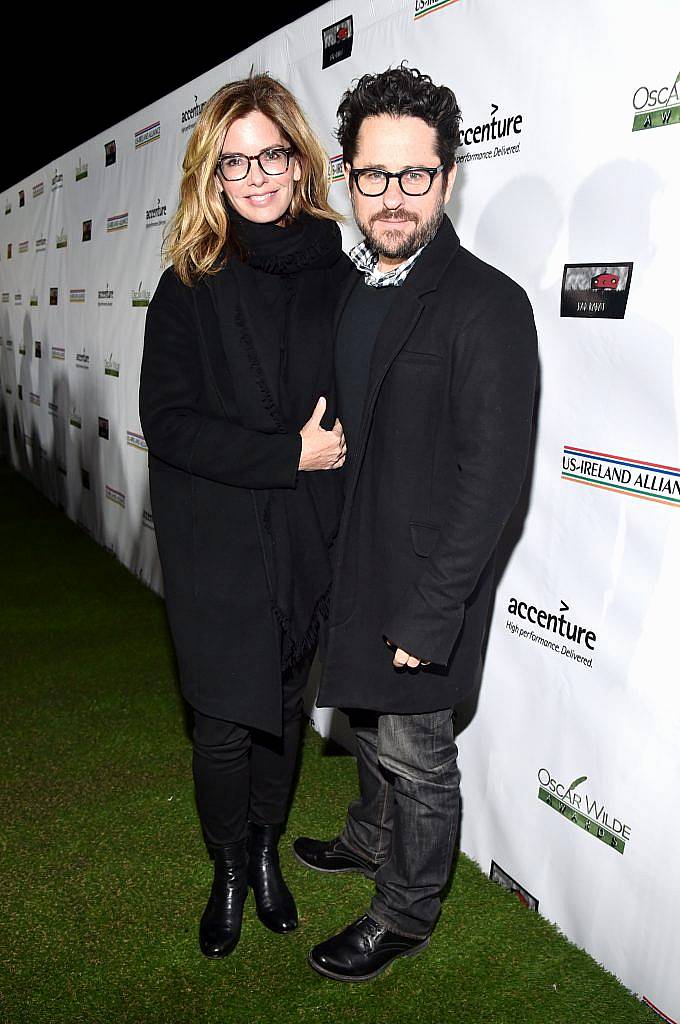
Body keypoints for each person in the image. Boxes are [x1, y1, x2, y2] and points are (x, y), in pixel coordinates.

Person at [294, 65, 538, 982]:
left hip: (423, 586)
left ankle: (405, 912)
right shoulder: (366, 291)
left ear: (447, 177)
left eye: (414, 176)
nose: (391, 198)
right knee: (367, 729)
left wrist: (432, 616)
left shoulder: (488, 305)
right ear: (347, 176)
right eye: (372, 175)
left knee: (419, 756)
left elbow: (492, 482)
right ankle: (368, 838)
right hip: (357, 563)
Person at [139, 74, 350, 959]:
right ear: (211, 175)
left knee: (282, 711)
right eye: (235, 161)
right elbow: (171, 423)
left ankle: (268, 849)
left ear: (299, 161)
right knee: (225, 724)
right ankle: (228, 866)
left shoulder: (339, 270)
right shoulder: (188, 283)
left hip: (306, 532)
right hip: (219, 540)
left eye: (271, 154)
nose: (257, 174)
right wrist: (283, 456)